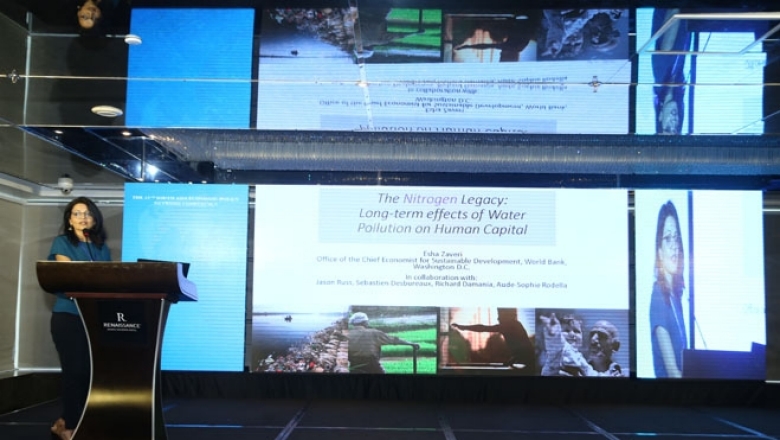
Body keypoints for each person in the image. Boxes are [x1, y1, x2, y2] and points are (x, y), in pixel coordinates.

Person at [47, 197, 111, 440]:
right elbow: (70, 275)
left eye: (87, 213)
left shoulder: (101, 247)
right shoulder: (62, 242)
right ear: (69, 219)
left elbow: (109, 280)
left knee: (88, 372)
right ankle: (71, 425)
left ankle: (67, 420)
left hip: (93, 318)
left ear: (95, 219)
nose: (83, 217)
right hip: (68, 315)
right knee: (74, 370)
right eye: (77, 213)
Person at [650, 200, 687, 378]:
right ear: (659, 251)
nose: (674, 245)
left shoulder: (675, 297)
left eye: (676, 238)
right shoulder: (658, 297)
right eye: (667, 239)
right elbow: (672, 372)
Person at [451, 308, 536, 375]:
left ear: (507, 315)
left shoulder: (510, 325)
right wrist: (511, 361)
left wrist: (464, 327)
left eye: (500, 314)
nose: (498, 318)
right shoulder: (515, 325)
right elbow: (521, 350)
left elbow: (483, 328)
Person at [652, 8, 690, 134]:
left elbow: (674, 11)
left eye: (668, 127)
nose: (674, 122)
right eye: (676, 128)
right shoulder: (677, 79)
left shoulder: (661, 72)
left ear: (660, 117)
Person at [347, 312, 419, 374]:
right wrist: (410, 344)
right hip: (372, 364)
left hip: (354, 365)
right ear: (364, 322)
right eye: (367, 321)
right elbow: (393, 340)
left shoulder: (347, 335)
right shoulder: (374, 333)